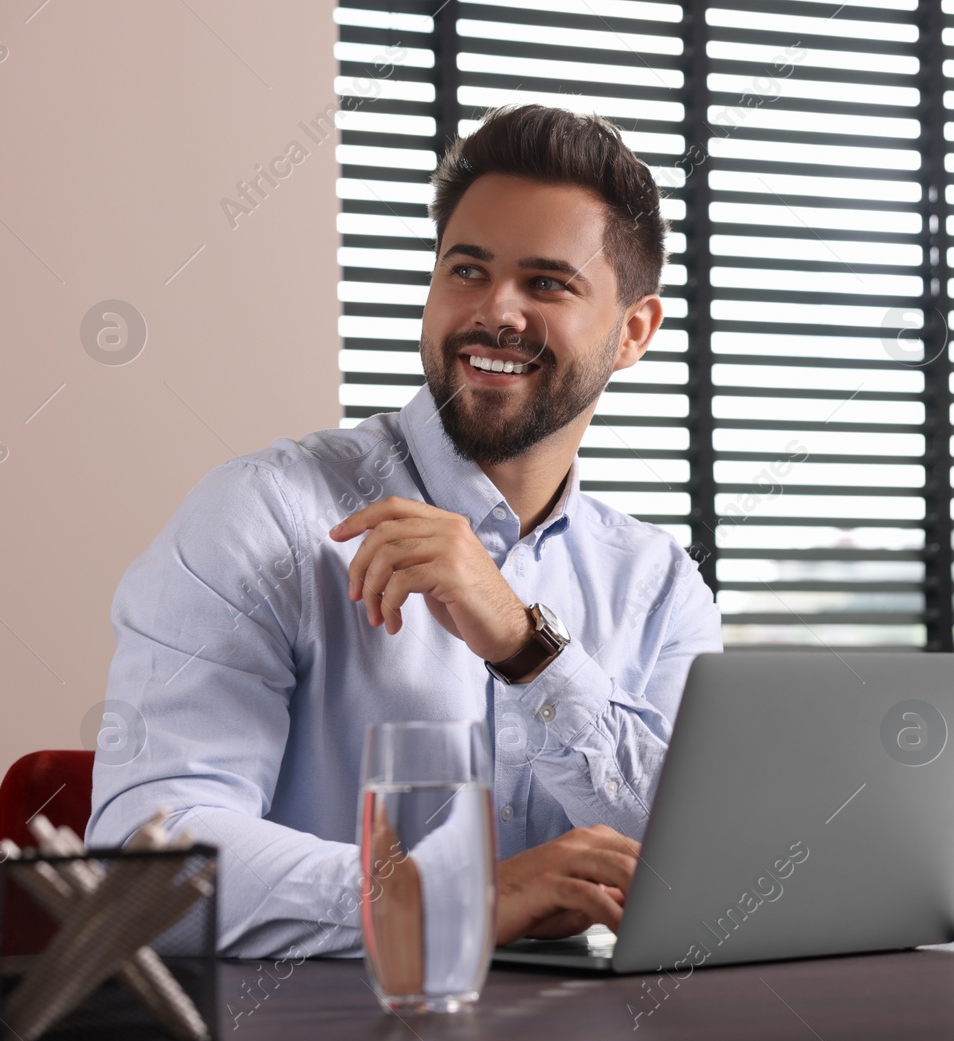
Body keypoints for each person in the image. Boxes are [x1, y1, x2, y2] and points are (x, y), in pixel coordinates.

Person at [86, 104, 722, 958]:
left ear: (633, 331)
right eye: (467, 269)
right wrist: (450, 899)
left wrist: (526, 648)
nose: (496, 311)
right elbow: (150, 867)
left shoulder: (658, 584)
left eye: (547, 283)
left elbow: (701, 860)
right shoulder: (263, 513)